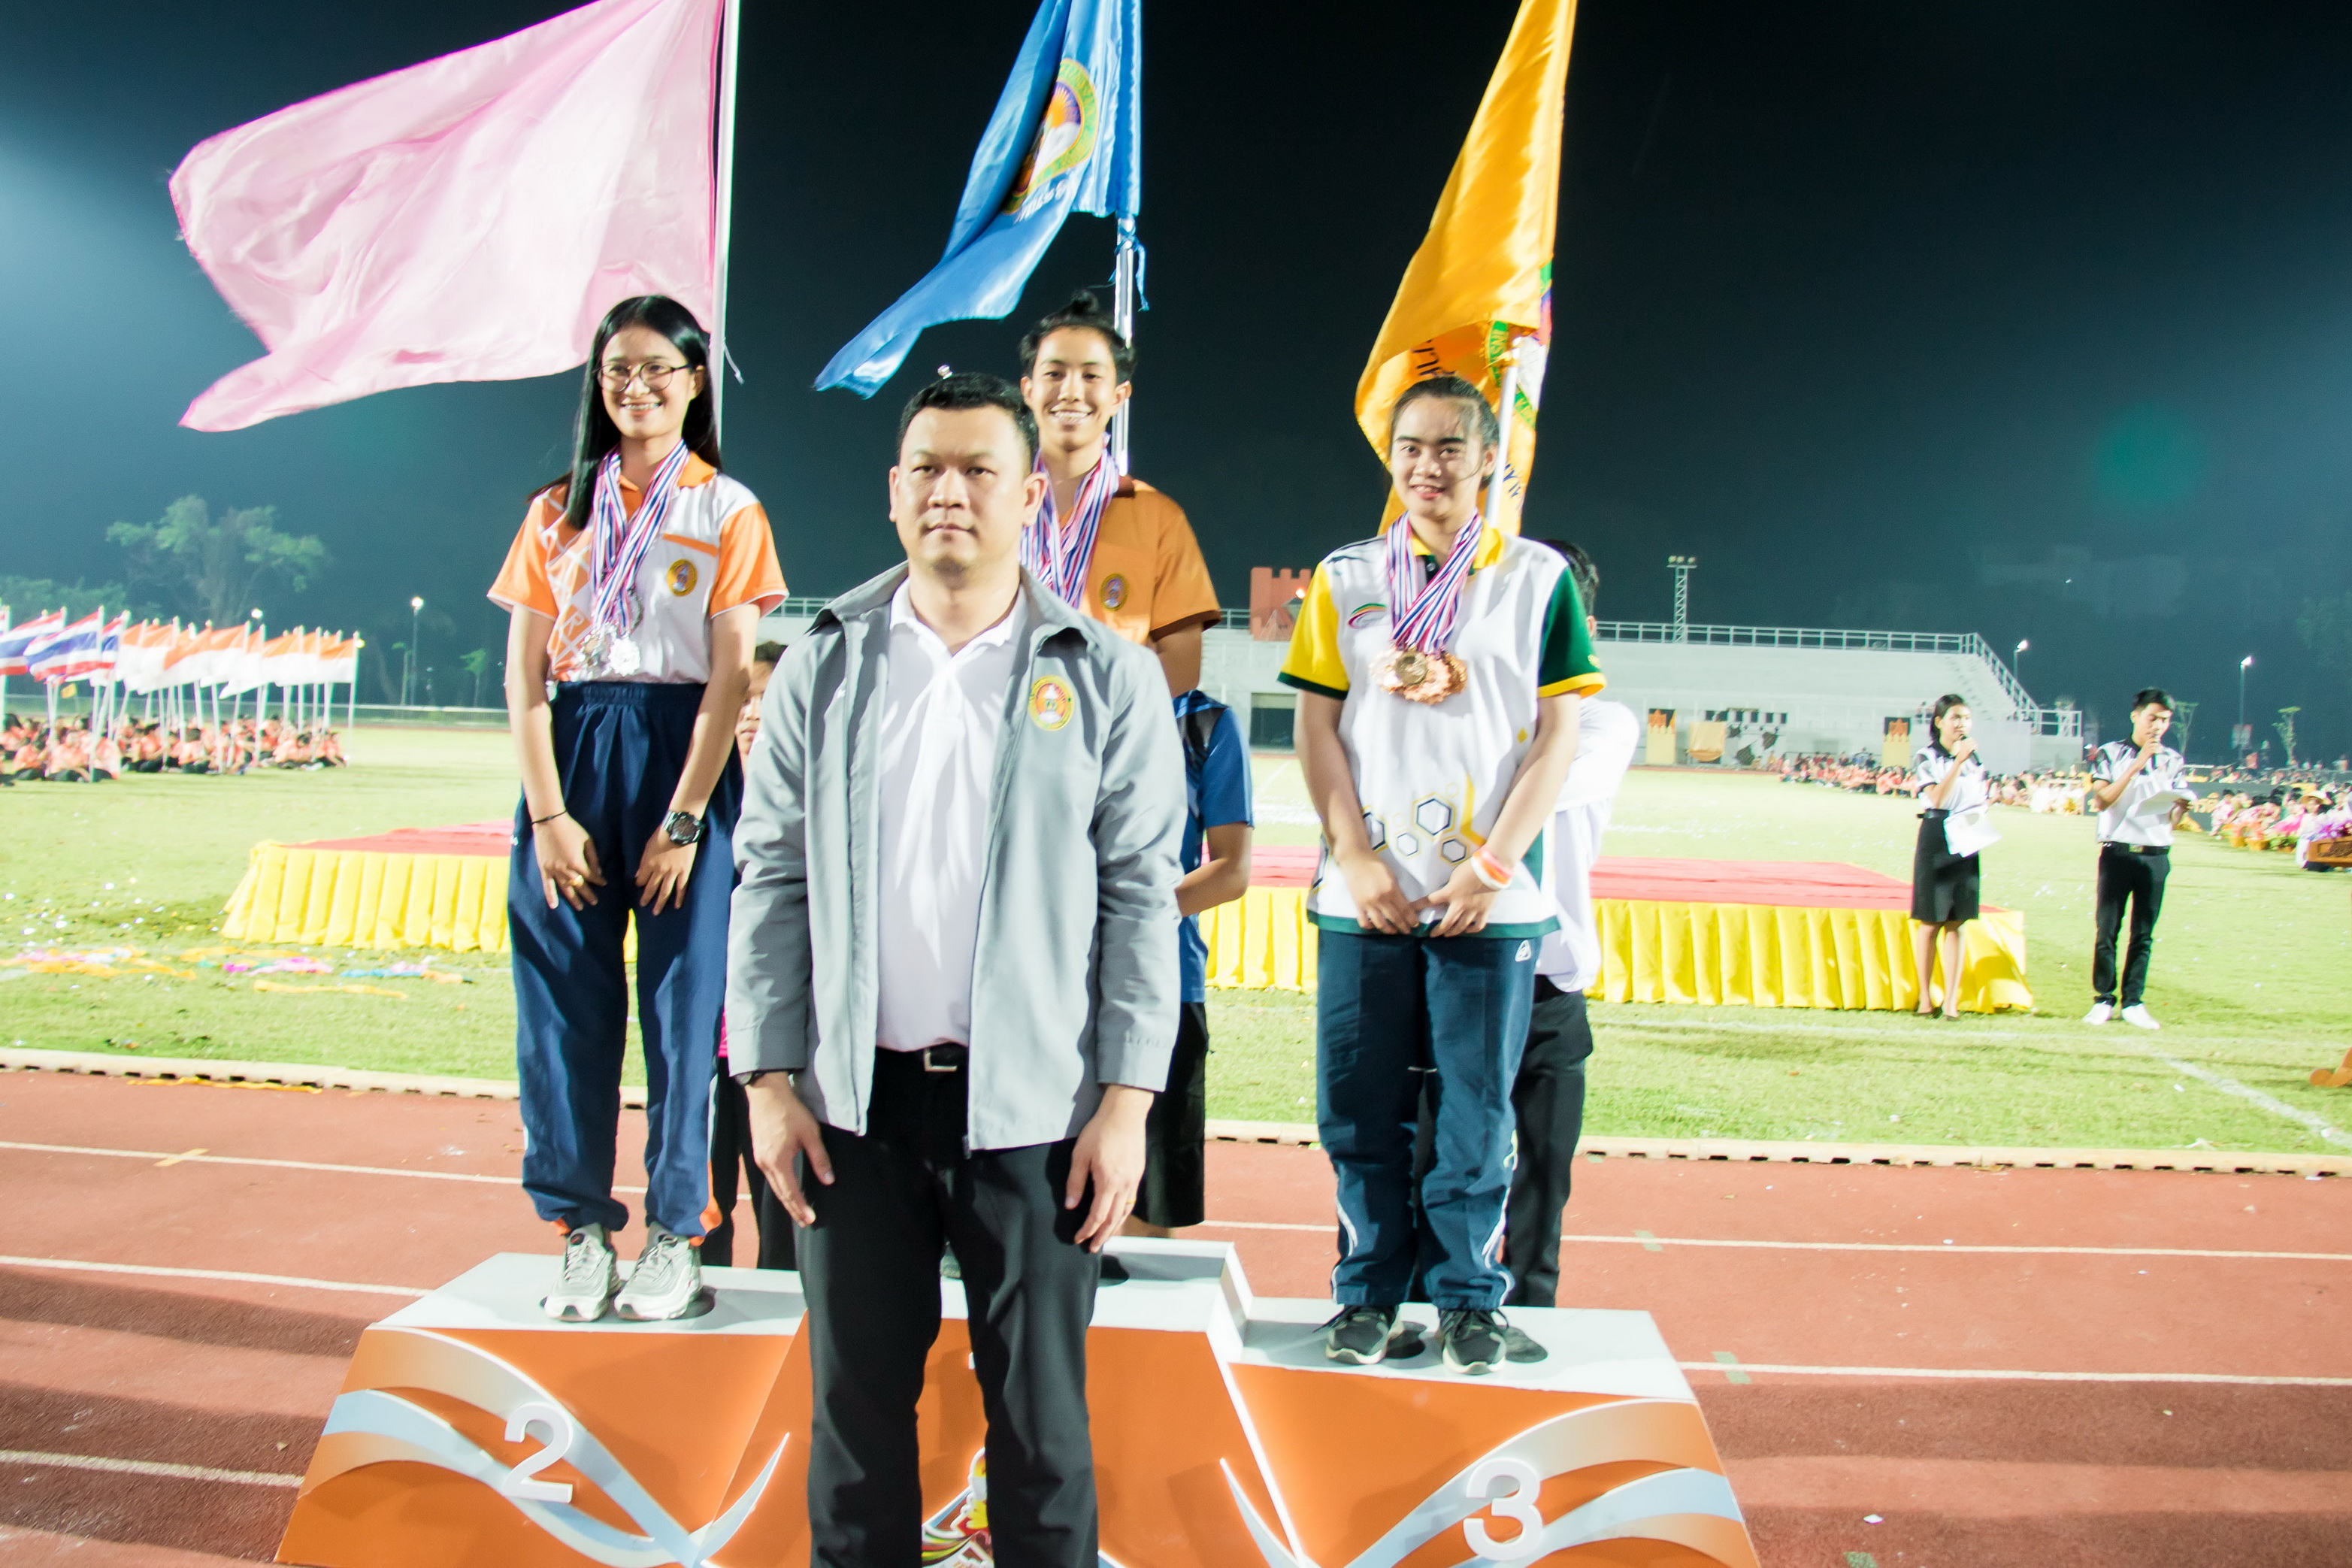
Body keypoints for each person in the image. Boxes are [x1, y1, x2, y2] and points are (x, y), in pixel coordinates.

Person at [729, 371, 1184, 1568]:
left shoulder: (1107, 673)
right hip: (851, 1108)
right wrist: (768, 1080)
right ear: (892, 491)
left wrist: (1126, 1105)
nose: (950, 492)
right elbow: (770, 876)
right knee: (854, 1431)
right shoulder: (822, 663)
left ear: (1030, 496)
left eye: (980, 470)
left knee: (1040, 1435)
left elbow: (1142, 900)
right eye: (927, 468)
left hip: (1034, 1114)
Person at [1282, 374, 1601, 1376]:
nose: (1427, 466)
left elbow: (1557, 737)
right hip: (1364, 897)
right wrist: (1356, 856)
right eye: (1410, 447)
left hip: (1487, 901)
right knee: (1357, 1109)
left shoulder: (1537, 579)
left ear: (1489, 458)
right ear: (1392, 458)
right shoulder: (1343, 578)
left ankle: (1470, 1301)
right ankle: (1366, 1294)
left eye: (1449, 447)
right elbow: (1316, 727)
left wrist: (1494, 864)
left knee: (1476, 1113)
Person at [489, 294, 785, 1321]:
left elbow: (731, 677)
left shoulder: (727, 509)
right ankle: (579, 1228)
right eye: (619, 367)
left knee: (683, 1008)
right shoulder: (554, 510)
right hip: (571, 754)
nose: (637, 385)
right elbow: (524, 675)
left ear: (695, 382)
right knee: (561, 1010)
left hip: (680, 754)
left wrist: (687, 817)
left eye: (660, 367)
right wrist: (547, 815)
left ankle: (673, 1233)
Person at [1016, 290, 1222, 695]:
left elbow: (1182, 664)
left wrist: (1100, 718)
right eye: (1054, 374)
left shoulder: (1159, 517)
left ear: (1118, 395)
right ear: (1028, 390)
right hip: (998, 725)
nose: (1071, 392)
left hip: (1110, 730)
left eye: (1091, 376)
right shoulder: (994, 504)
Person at [1123, 685, 1253, 1243]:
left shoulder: (1202, 724)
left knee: (1149, 1204)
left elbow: (1231, 871)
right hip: (1049, 984)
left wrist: (1121, 921)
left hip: (1161, 982)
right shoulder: (1050, 698)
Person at [702, 640, 795, 1271]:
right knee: (700, 1208)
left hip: (779, 1050)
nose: (752, 715)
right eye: (744, 700)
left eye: (767, 699)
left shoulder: (809, 807)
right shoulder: (697, 810)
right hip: (706, 1047)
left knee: (782, 1207)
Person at [2082, 688, 2188, 1029]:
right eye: (2152, 718)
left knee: (2143, 934)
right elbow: (2101, 800)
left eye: (2165, 720)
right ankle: (2103, 999)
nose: (2158, 726)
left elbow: (2172, 820)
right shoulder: (2110, 754)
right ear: (2135, 716)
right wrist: (2136, 765)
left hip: (2155, 854)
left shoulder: (2173, 760)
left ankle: (2133, 1001)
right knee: (2107, 929)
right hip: (2118, 852)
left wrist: (2182, 808)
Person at [1910, 695, 1988, 1020]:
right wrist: (1957, 762)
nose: (1962, 724)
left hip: (1966, 837)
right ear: (1939, 721)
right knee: (1930, 922)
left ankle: (1952, 1000)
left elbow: (1980, 797)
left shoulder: (1975, 760)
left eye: (1966, 718)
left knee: (1957, 922)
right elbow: (1937, 798)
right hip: (1936, 836)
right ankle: (1925, 999)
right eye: (1955, 717)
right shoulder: (1926, 756)